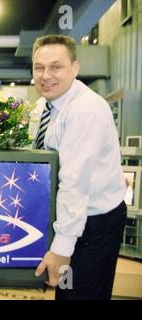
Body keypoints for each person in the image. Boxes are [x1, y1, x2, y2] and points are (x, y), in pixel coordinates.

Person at [31, 34, 127, 300]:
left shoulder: (85, 110)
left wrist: (62, 248)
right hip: (70, 214)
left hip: (94, 221)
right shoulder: (43, 106)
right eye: (39, 67)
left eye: (56, 66)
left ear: (75, 68)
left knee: (79, 293)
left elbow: (74, 183)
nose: (46, 75)